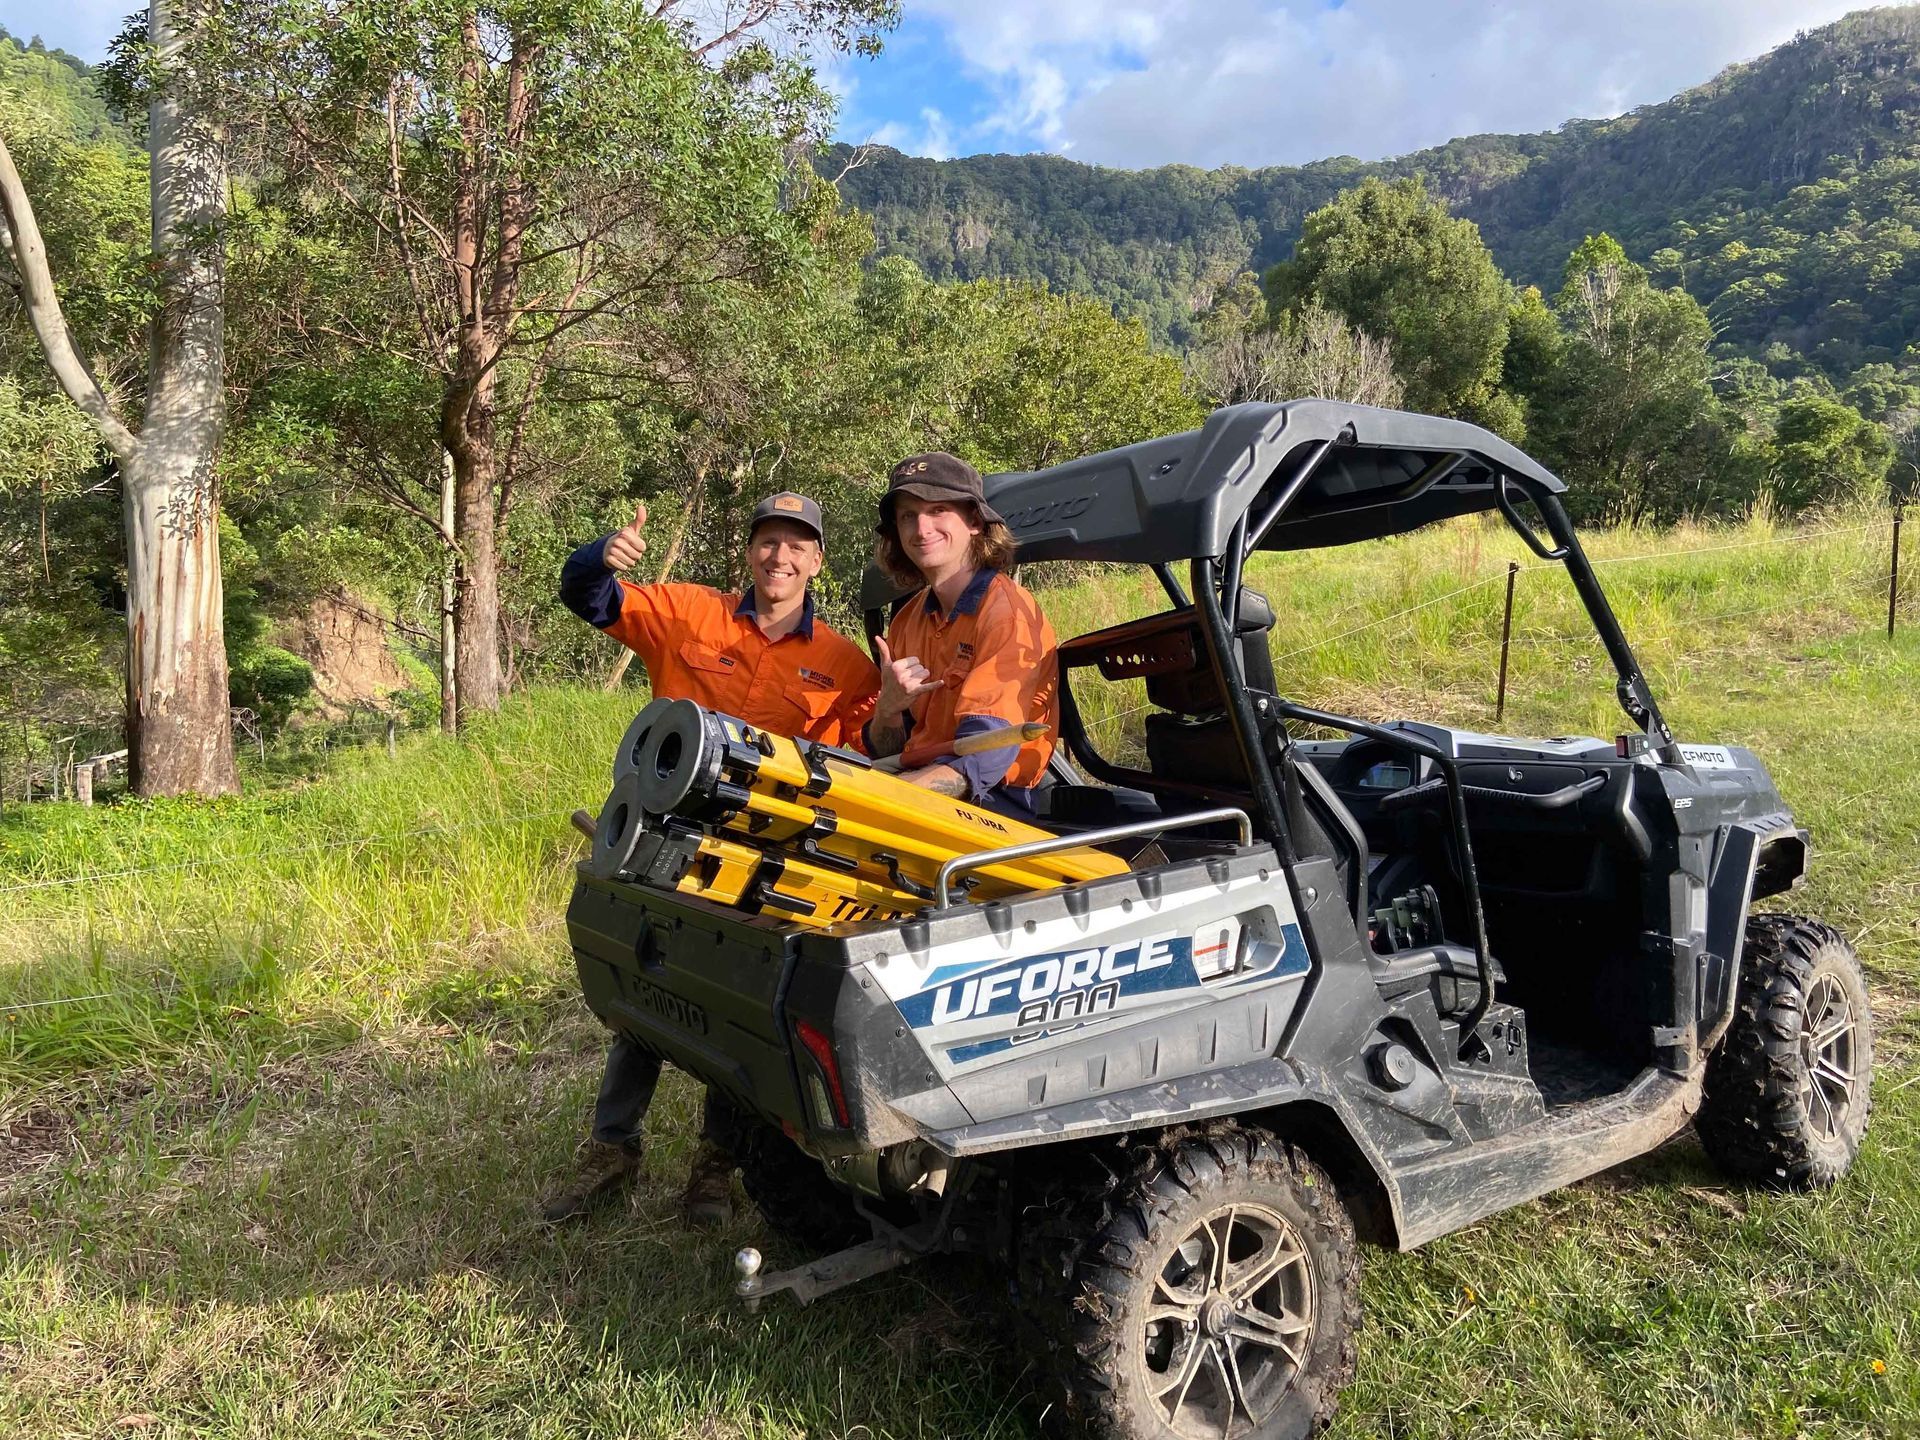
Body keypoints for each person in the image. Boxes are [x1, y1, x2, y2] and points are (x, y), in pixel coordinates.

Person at [545, 491, 879, 1225]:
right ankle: (611, 1148)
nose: (779, 557)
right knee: (639, 982)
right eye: (768, 541)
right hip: (656, 835)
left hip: (758, 859)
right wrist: (599, 556)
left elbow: (869, 758)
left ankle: (714, 1168)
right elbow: (590, 598)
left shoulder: (846, 666)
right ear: (749, 551)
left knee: (730, 1002)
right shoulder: (687, 613)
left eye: (797, 545)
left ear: (817, 560)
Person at [864, 453, 1056, 815]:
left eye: (937, 511)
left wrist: (891, 799)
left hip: (997, 801)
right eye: (908, 516)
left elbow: (986, 756)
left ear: (973, 521)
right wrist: (887, 709)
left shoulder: (1005, 615)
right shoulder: (907, 620)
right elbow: (888, 751)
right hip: (917, 780)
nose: (921, 529)